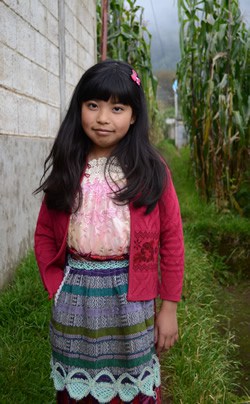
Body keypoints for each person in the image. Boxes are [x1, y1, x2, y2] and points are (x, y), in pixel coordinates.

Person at [34, 59, 184, 404]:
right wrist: (56, 286)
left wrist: (169, 308)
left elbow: (172, 240)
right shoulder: (69, 165)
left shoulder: (150, 170)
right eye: (93, 105)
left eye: (117, 108)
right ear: (79, 109)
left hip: (132, 297)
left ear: (134, 115)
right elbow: (44, 232)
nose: (103, 118)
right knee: (76, 390)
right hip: (74, 296)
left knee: (132, 388)